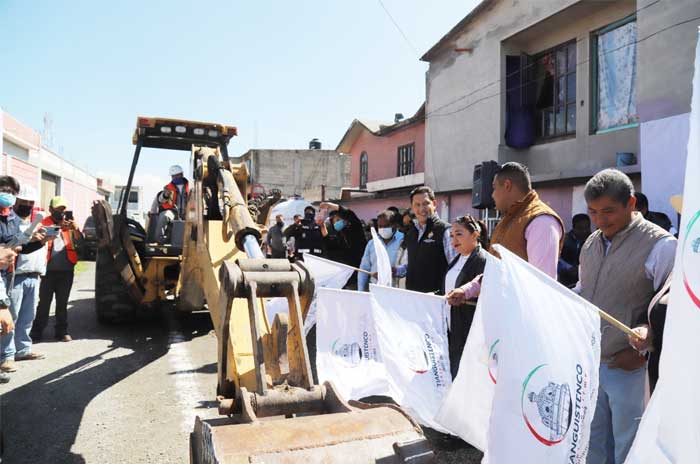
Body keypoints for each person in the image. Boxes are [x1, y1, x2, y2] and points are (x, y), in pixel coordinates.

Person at [579, 169, 676, 464]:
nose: (600, 220)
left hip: (632, 367)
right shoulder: (590, 244)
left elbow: (672, 309)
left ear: (631, 203)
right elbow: (585, 290)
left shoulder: (661, 246)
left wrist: (648, 345)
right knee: (592, 443)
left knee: (629, 447)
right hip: (593, 362)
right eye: (593, 212)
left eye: (608, 211)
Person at [0, 186, 47, 373]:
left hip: (34, 274)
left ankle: (22, 349)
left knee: (27, 317)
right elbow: (14, 246)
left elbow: (22, 247)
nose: (27, 206)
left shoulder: (33, 222)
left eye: (30, 203)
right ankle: (6, 355)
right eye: (24, 203)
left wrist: (39, 240)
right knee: (9, 317)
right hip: (15, 275)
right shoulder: (11, 222)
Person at [32, 196, 83, 343]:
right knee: (44, 303)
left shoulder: (71, 225)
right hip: (47, 271)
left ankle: (61, 332)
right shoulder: (43, 223)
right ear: (51, 209)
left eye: (63, 209)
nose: (61, 212)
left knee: (62, 303)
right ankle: (36, 333)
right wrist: (56, 229)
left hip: (66, 271)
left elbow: (81, 242)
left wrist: (76, 229)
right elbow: (37, 241)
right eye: (58, 209)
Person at [444, 215, 488, 379]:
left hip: (468, 328)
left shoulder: (482, 260)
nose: (454, 240)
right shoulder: (457, 259)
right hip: (452, 326)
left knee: (465, 374)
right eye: (452, 236)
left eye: (459, 234)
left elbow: (482, 293)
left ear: (475, 235)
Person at [395, 186, 456, 294]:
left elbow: (455, 268)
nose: (421, 209)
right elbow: (412, 265)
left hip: (435, 300)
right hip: (413, 298)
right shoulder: (412, 233)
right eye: (417, 205)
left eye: (425, 203)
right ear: (412, 208)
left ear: (434, 204)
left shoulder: (445, 231)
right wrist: (394, 271)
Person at [319, 202, 366, 289]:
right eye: (334, 220)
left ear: (346, 220)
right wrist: (322, 226)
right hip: (345, 278)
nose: (336, 222)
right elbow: (329, 243)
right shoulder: (339, 235)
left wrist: (329, 205)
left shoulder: (356, 229)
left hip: (359, 275)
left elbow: (349, 213)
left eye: (339, 219)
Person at [358, 210, 404, 291]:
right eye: (380, 226)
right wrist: (361, 291)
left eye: (386, 226)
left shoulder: (404, 240)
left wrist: (393, 271)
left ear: (395, 225)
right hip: (375, 289)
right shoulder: (372, 243)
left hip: (396, 290)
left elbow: (409, 267)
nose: (383, 229)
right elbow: (364, 269)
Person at [152, 165, 189, 243]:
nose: (175, 177)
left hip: (188, 212)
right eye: (173, 176)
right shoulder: (168, 187)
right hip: (174, 212)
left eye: (177, 175)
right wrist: (165, 195)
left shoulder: (191, 186)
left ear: (182, 174)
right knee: (164, 215)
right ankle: (160, 239)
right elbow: (161, 200)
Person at [558, 213, 591, 286]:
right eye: (580, 228)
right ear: (573, 228)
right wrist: (568, 267)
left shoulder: (593, 241)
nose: (584, 231)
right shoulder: (564, 240)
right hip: (565, 279)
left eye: (587, 228)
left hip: (585, 280)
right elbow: (557, 258)